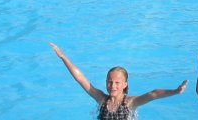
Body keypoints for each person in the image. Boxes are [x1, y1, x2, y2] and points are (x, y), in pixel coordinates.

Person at [49, 43, 187, 119]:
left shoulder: (130, 103)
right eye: (109, 82)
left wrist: (175, 91)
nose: (112, 86)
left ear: (125, 85)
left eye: (117, 83)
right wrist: (63, 57)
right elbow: (81, 79)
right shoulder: (102, 99)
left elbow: (153, 94)